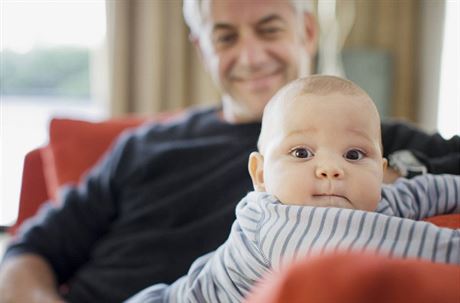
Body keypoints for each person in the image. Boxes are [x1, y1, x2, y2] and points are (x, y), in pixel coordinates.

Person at [0, 1, 459, 302]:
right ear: (202, 48)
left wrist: (402, 170)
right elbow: (30, 250)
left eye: (268, 28)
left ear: (307, 31)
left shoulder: (363, 134)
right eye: (225, 37)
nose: (251, 55)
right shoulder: (144, 145)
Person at [125, 75, 460, 303]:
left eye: (354, 154)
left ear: (381, 171)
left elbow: (422, 192)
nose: (331, 168)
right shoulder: (283, 223)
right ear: (260, 174)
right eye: (301, 153)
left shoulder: (362, 197)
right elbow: (416, 247)